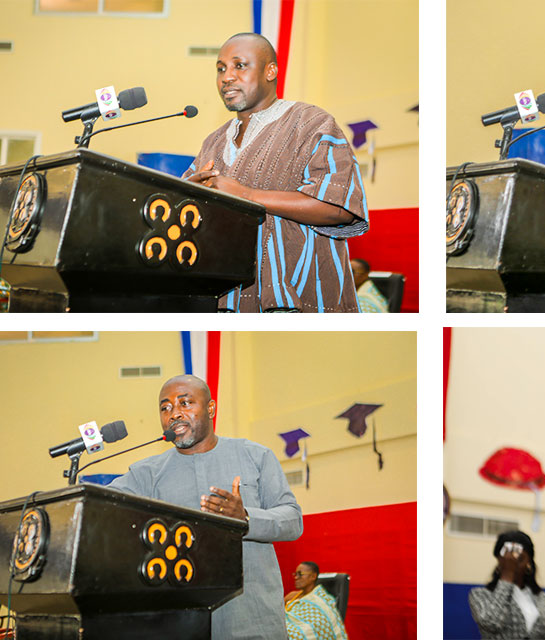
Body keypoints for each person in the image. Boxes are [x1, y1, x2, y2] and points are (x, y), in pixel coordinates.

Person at [184, 33, 368, 313]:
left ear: (270, 71)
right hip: (228, 300)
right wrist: (191, 194)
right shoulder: (213, 141)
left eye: (239, 66)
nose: (227, 77)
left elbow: (338, 208)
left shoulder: (312, 123)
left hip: (303, 299)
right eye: (221, 69)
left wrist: (245, 195)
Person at [109, 374, 303, 640]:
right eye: (165, 408)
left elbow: (292, 519)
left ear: (211, 409)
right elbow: (104, 506)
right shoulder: (147, 473)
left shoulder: (255, 455)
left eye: (185, 403)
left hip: (250, 617)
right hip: (178, 622)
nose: (174, 414)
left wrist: (245, 518)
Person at [468, 530, 545, 639]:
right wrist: (507, 575)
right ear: (499, 561)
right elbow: (491, 623)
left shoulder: (543, 599)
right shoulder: (480, 595)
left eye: (519, 559)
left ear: (529, 563)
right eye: (507, 559)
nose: (512, 563)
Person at [283, 562, 348, 640]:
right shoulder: (291, 596)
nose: (296, 577)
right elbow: (278, 615)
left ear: (313, 576)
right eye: (295, 574)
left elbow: (316, 626)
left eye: (300, 574)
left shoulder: (321, 600)